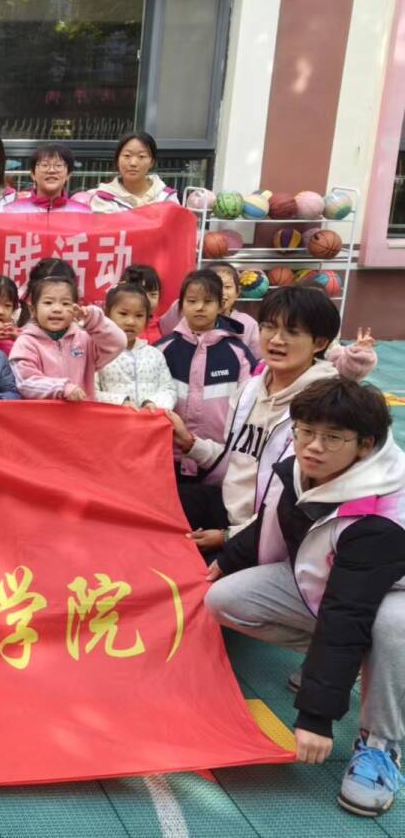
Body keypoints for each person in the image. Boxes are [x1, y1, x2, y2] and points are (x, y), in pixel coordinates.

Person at [205, 378, 405, 817]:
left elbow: (346, 612)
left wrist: (315, 717)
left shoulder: (382, 514)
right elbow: (271, 522)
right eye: (306, 431)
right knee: (224, 599)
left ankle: (380, 744)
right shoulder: (301, 469)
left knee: (391, 628)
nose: (313, 446)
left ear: (365, 445)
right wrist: (226, 561)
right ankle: (351, 662)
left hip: (392, 588)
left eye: (332, 438)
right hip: (326, 574)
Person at [168, 286, 377, 553]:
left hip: (278, 532)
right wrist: (189, 443)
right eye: (269, 327)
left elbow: (305, 502)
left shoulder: (327, 405)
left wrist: (228, 537)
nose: (276, 340)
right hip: (230, 507)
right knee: (156, 504)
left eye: (292, 331)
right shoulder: (249, 390)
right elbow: (235, 459)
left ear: (320, 343)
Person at [156, 269, 257, 478]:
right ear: (181, 305)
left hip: (217, 462)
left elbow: (249, 408)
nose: (199, 307)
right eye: (192, 301)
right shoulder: (161, 350)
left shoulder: (239, 354)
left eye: (208, 301)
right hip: (167, 459)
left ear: (221, 305)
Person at [9, 272, 126, 400]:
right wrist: (62, 388)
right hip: (42, 413)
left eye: (65, 303)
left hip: (81, 411)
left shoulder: (84, 339)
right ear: (33, 310)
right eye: (48, 302)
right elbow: (25, 382)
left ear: (76, 308)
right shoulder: (26, 342)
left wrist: (92, 319)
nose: (57, 309)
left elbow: (118, 343)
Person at [94, 282, 177, 411]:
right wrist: (120, 402)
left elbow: (169, 389)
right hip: (111, 421)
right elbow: (89, 392)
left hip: (148, 421)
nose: (131, 322)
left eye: (139, 315)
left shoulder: (155, 354)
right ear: (107, 315)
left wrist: (153, 403)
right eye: (123, 313)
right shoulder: (97, 352)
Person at [160, 262, 262, 358]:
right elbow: (164, 332)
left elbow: (256, 361)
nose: (221, 292)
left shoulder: (248, 324)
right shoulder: (181, 309)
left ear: (237, 292)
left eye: (227, 286)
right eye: (214, 286)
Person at [90, 131, 178, 212]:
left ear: (152, 162)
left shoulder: (166, 198)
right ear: (117, 160)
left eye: (141, 156)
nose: (133, 163)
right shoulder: (103, 198)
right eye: (127, 155)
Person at [0, 144, 92, 213]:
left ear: (68, 175)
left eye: (58, 165)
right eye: (44, 165)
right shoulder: (12, 211)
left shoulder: (83, 212)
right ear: (33, 174)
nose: (51, 170)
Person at [120, 264, 165, 344]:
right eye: (141, 293)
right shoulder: (120, 324)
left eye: (153, 295)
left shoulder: (163, 324)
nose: (148, 300)